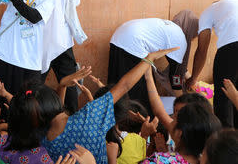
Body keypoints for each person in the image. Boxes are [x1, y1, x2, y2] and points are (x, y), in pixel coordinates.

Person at [38, 47, 177, 164]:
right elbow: (124, 85)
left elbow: (123, 87)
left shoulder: (42, 138)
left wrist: (62, 86)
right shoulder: (93, 120)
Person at [30, 0, 88, 114]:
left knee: (69, 83)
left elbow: (74, 0)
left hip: (60, 42)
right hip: (42, 42)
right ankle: (36, 120)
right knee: (35, 87)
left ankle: (68, 119)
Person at [108, 18, 188, 113]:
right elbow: (176, 76)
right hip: (134, 42)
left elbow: (179, 68)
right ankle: (139, 125)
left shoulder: (171, 29)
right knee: (143, 96)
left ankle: (114, 122)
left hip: (118, 36)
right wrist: (182, 103)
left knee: (116, 88)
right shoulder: (181, 42)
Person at [186, 0, 238, 128]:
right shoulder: (233, 3)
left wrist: (193, 78)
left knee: (223, 98)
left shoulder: (208, 11)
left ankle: (225, 143)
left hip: (230, 50)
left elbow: (202, 50)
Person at [140, 102, 222, 164]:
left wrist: (143, 136)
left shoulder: (157, 161)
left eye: (174, 120)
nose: (170, 122)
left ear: (179, 133)